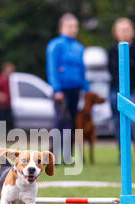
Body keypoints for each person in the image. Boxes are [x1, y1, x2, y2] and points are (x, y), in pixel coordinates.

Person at [46, 13, 89, 163]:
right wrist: (56, 89)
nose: (73, 29)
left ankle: (66, 155)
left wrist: (86, 88)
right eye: (69, 26)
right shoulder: (55, 45)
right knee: (60, 121)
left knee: (71, 123)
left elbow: (82, 69)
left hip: (75, 89)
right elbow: (52, 68)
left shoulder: (79, 47)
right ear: (62, 28)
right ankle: (53, 155)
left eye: (75, 26)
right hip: (61, 90)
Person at [108, 17, 135, 158]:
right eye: (121, 30)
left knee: (134, 122)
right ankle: (123, 153)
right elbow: (110, 70)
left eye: (127, 29)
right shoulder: (112, 50)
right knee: (118, 123)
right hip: (115, 90)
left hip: (133, 90)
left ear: (132, 32)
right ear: (116, 32)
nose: (124, 32)